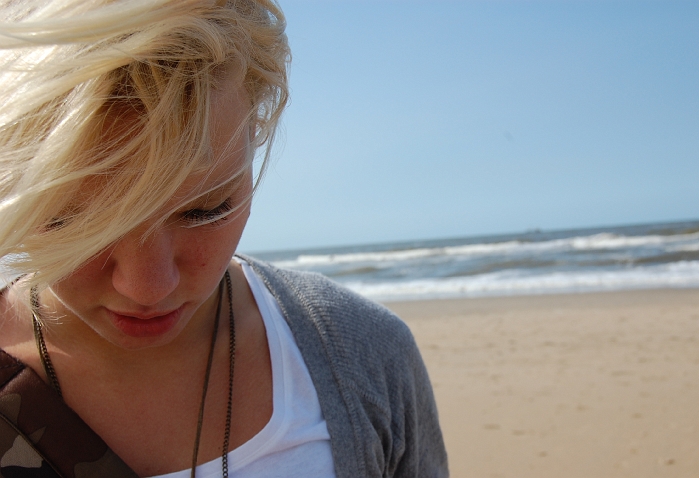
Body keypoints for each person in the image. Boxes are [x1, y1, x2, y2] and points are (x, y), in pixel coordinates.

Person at [0, 0, 447, 477]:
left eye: (206, 209)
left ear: (255, 130)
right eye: (73, 222)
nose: (148, 287)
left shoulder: (364, 354)